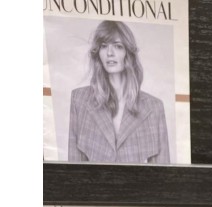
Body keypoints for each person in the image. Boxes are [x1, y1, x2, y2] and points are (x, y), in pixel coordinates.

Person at [68, 20, 170, 164]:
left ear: (128, 52)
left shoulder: (154, 108)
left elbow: (162, 173)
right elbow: (74, 170)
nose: (110, 53)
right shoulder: (79, 100)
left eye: (118, 46)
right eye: (104, 46)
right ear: (98, 52)